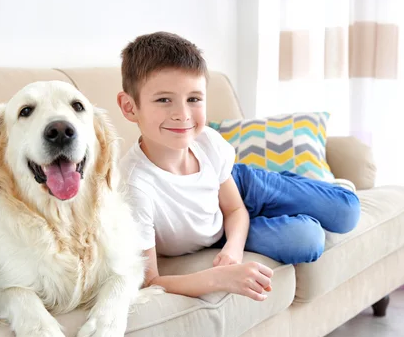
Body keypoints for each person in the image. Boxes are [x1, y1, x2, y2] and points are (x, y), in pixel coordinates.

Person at [117, 31, 360, 302]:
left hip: (243, 185)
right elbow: (150, 281)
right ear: (129, 107)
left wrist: (234, 249)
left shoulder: (207, 142)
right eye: (164, 99)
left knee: (347, 211)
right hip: (216, 230)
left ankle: (307, 186)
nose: (182, 114)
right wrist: (221, 273)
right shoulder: (133, 186)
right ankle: (298, 203)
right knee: (308, 240)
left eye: (194, 99)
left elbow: (235, 208)